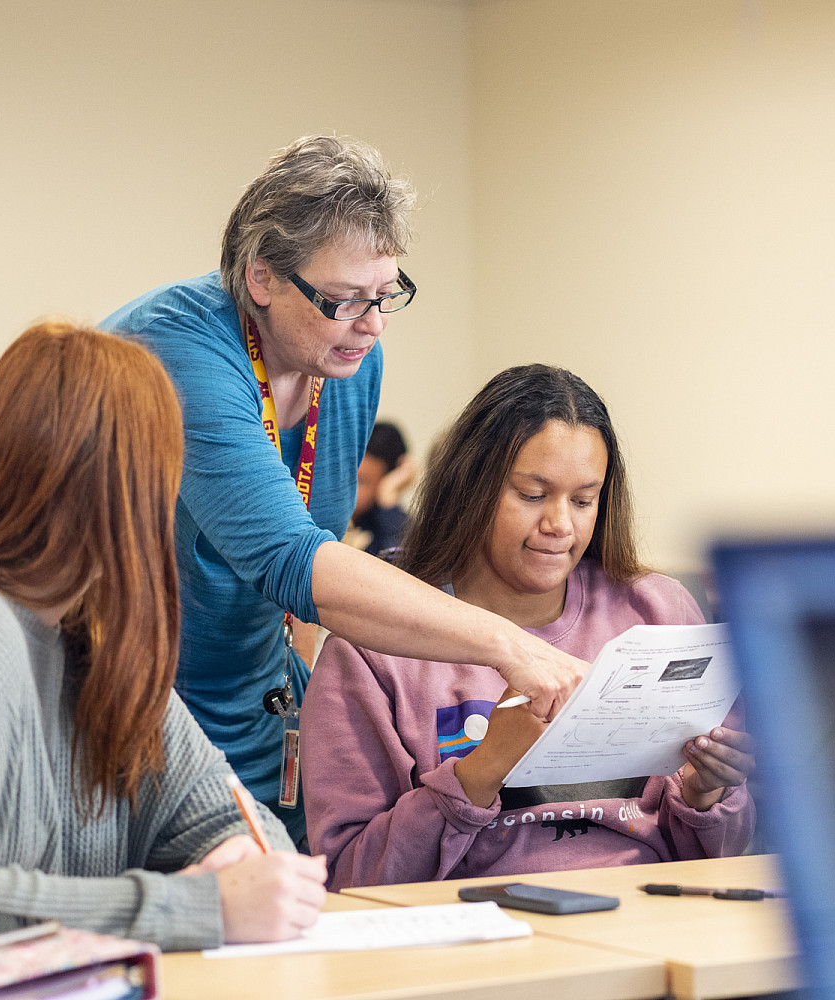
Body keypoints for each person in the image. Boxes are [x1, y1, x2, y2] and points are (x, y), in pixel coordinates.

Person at [102, 136, 584, 849]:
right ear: (262, 278)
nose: (373, 324)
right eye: (345, 300)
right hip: (127, 702)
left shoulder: (347, 360)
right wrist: (505, 642)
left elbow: (311, 571)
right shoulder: (176, 351)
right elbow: (291, 561)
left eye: (386, 294)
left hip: (256, 693)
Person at [0, 323, 326, 951]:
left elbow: (250, 837)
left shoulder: (92, 638)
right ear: (132, 486)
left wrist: (241, 872)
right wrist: (199, 904)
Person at [301, 365, 756, 889]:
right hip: (473, 921)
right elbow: (350, 878)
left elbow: (723, 852)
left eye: (583, 500)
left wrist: (705, 794)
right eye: (533, 495)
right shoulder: (374, 646)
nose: (560, 525)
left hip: (649, 909)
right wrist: (484, 768)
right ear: (471, 488)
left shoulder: (658, 611)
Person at [349, 420, 416, 559]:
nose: (348, 488)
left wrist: (388, 496)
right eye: (347, 475)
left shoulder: (390, 527)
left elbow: (398, 566)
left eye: (362, 481)